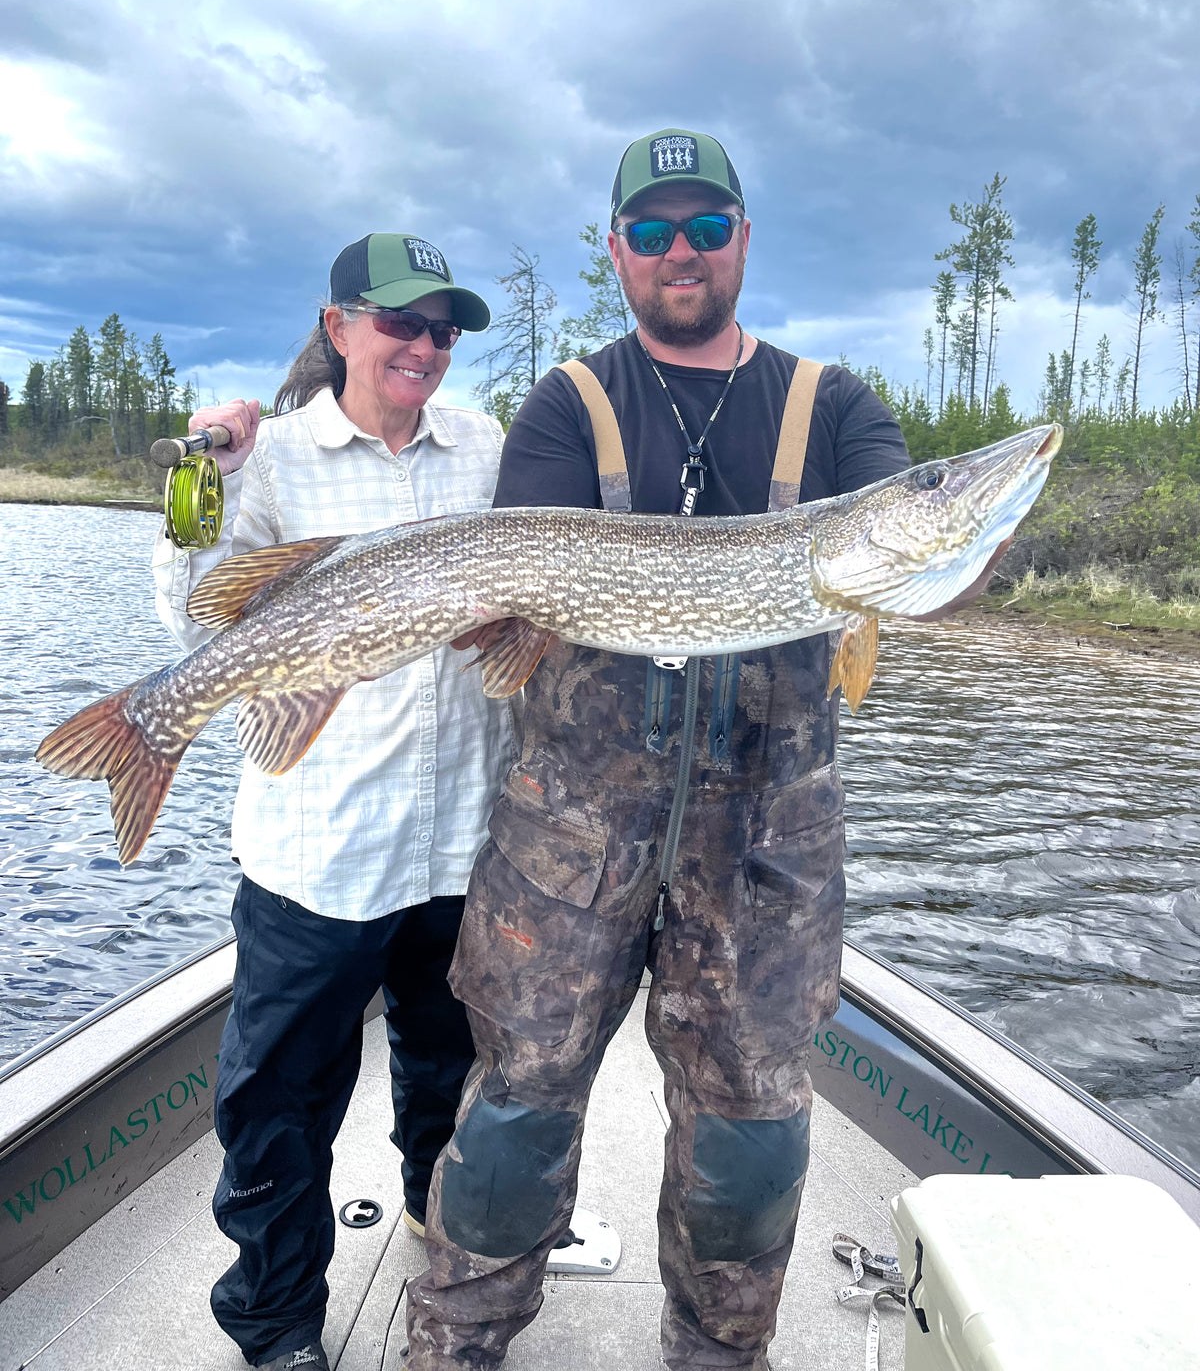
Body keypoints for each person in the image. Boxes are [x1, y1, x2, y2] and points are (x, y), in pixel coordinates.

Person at [405, 131, 997, 1370]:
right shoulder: (572, 401)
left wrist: (958, 526)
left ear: (743, 238)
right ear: (619, 249)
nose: (682, 251)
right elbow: (513, 611)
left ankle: (719, 1355)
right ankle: (455, 1345)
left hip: (767, 863)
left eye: (707, 227)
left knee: (751, 1145)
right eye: (655, 231)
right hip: (566, 846)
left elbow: (913, 561)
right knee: (511, 1122)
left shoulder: (834, 409)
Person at [151, 234, 512, 1371]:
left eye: (443, 328)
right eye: (401, 321)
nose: (424, 345)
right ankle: (274, 1322)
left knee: (450, 1073)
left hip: (461, 841)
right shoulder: (273, 455)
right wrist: (200, 468)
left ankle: (430, 1216)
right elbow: (192, 608)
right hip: (320, 853)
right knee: (281, 1105)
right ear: (339, 324)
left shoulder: (487, 446)